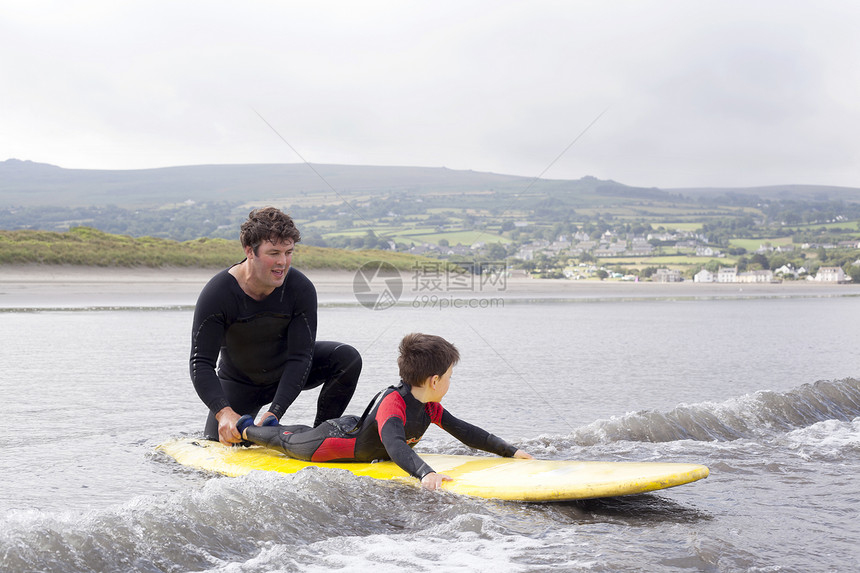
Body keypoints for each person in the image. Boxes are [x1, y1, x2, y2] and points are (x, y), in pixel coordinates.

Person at [239, 332, 533, 491]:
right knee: (287, 441)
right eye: (449, 377)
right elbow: (393, 444)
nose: (449, 382)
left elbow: (465, 431)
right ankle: (247, 428)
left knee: (294, 430)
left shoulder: (429, 406)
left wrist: (510, 451)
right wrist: (425, 473)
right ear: (434, 381)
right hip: (328, 444)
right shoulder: (394, 403)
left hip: (352, 427)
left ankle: (273, 422)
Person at [189, 207, 362, 446]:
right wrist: (223, 413)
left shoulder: (299, 289)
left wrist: (275, 412)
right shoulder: (218, 294)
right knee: (220, 446)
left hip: (286, 375)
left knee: (346, 358)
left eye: (288, 252)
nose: (282, 262)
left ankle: (321, 438)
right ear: (250, 251)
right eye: (274, 253)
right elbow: (201, 363)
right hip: (239, 384)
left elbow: (301, 357)